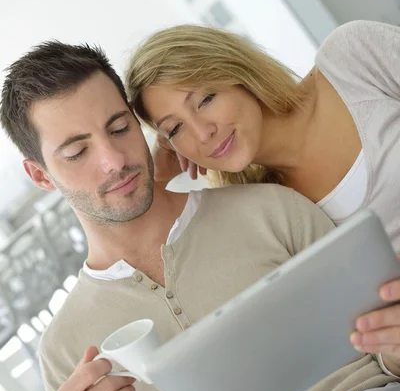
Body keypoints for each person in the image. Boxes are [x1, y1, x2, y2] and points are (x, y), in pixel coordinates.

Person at [2, 40, 400, 391]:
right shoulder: (66, 346)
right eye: (77, 151)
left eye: (120, 128)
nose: (113, 160)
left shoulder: (271, 208)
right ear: (41, 176)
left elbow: (386, 351)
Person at [126, 21, 400, 290]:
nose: (202, 133)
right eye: (175, 128)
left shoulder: (350, 60)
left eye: (206, 99)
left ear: (238, 74)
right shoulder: (262, 211)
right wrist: (158, 177)